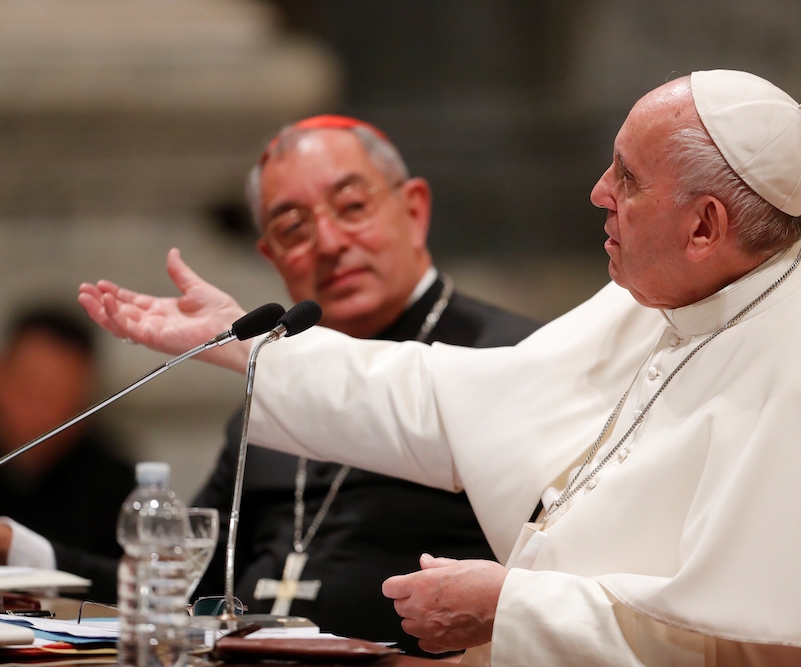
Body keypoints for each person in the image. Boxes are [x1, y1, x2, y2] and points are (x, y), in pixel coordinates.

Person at [78, 71, 801, 666]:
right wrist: (244, 340)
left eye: (626, 180)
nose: (597, 192)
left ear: (705, 226)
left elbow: (752, 646)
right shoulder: (669, 302)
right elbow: (451, 398)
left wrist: (506, 603)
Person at [70, 115, 535, 652]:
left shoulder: (512, 359)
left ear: (414, 210)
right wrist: (18, 548)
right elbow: (174, 588)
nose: (329, 243)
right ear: (270, 256)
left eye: (353, 207)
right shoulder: (271, 387)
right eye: (293, 227)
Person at [0, 308, 135, 603]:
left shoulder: (113, 481)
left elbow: (132, 584)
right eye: (28, 389)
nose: (38, 412)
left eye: (57, 397)